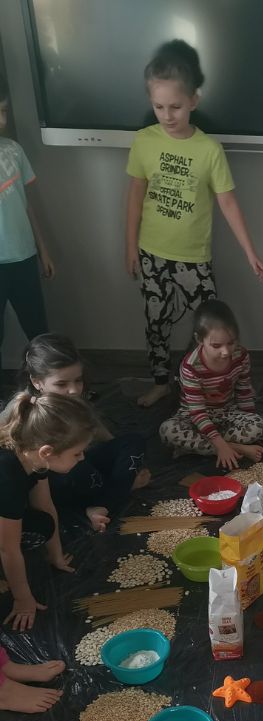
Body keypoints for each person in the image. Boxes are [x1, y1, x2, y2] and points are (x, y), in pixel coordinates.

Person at [126, 40, 263, 409]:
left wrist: (250, 252)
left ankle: (208, 386)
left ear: (194, 101)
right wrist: (129, 247)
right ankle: (161, 381)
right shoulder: (144, 142)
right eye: (158, 106)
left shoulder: (208, 150)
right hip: (152, 253)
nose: (167, 115)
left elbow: (228, 202)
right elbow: (135, 198)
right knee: (155, 323)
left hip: (194, 258)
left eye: (175, 106)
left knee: (212, 327)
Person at [16, 335, 149, 534]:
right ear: (37, 382)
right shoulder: (27, 411)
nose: (73, 390)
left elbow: (103, 435)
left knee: (133, 442)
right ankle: (103, 501)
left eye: (78, 381)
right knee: (78, 470)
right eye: (62, 384)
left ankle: (104, 503)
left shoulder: (75, 399)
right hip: (53, 478)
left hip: (79, 463)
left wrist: (126, 464)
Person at [0, 391, 89, 641]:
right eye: (77, 453)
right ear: (48, 451)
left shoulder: (34, 456)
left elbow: (45, 505)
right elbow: (7, 548)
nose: (83, 458)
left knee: (42, 525)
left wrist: (56, 555)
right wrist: (23, 598)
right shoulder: (7, 478)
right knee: (14, 542)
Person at [158, 301, 263, 469]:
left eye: (231, 343)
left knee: (260, 425)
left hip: (227, 412)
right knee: (168, 431)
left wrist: (253, 426)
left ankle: (201, 447)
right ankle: (233, 448)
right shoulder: (190, 366)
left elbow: (244, 391)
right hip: (195, 416)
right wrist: (221, 445)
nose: (225, 351)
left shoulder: (241, 355)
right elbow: (197, 412)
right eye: (216, 346)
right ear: (199, 339)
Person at [0, 88, 54, 351]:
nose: (2, 121)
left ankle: (46, 389)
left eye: (3, 112)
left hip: (24, 256)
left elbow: (26, 205)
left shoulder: (14, 150)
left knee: (38, 331)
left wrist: (43, 251)